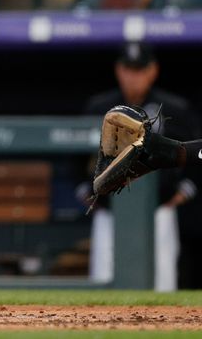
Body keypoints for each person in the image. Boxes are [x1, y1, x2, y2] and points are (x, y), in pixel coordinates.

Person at [82, 42, 200, 291]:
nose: (133, 77)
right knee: (103, 282)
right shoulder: (99, 107)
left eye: (139, 70)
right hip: (110, 210)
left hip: (158, 208)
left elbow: (193, 158)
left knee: (162, 282)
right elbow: (77, 161)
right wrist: (86, 191)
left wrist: (182, 193)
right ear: (118, 70)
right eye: (128, 69)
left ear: (152, 71)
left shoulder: (174, 108)